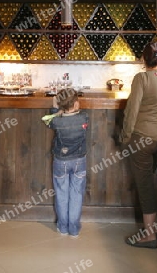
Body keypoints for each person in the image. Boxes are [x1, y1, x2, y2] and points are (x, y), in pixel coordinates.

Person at [121, 42, 157, 249]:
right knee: (148, 181)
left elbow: (132, 110)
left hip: (142, 138)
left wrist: (125, 136)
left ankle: (149, 235)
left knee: (145, 186)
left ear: (143, 59)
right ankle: (152, 228)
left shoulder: (141, 78)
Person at [42, 88, 88, 238]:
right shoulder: (84, 118)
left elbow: (48, 121)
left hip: (61, 161)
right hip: (79, 160)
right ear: (75, 104)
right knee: (77, 194)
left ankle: (62, 227)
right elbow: (78, 116)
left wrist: (55, 107)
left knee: (61, 193)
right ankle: (74, 229)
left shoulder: (56, 121)